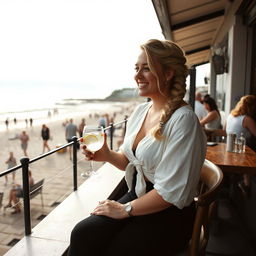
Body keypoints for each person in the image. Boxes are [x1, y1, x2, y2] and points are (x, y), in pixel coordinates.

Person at [68, 39, 206, 256]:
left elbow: (170, 193)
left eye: (146, 68)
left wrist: (124, 209)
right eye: (136, 68)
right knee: (82, 233)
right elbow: (130, 162)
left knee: (115, 249)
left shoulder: (184, 121)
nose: (138, 75)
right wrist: (106, 154)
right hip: (138, 194)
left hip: (168, 212)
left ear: (168, 73)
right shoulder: (142, 110)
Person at [225, 95, 256, 196]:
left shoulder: (230, 115)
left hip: (229, 148)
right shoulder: (247, 119)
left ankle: (245, 182)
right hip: (240, 152)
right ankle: (247, 184)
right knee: (251, 145)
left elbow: (224, 130)